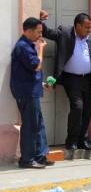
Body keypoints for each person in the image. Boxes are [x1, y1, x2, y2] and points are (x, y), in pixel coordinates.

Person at [39, 10, 91, 151]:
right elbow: (47, 32)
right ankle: (71, 140)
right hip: (71, 79)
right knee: (78, 107)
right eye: (86, 27)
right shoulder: (65, 33)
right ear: (78, 26)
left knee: (87, 110)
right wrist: (40, 20)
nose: (89, 30)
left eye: (90, 27)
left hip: (88, 79)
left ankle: (83, 139)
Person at [10, 17, 54, 168]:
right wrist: (41, 49)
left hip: (32, 90)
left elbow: (27, 72)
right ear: (28, 31)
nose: (40, 36)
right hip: (26, 93)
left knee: (38, 124)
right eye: (38, 32)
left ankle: (40, 156)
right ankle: (27, 159)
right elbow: (36, 65)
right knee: (30, 125)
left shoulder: (28, 45)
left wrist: (41, 84)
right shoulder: (23, 46)